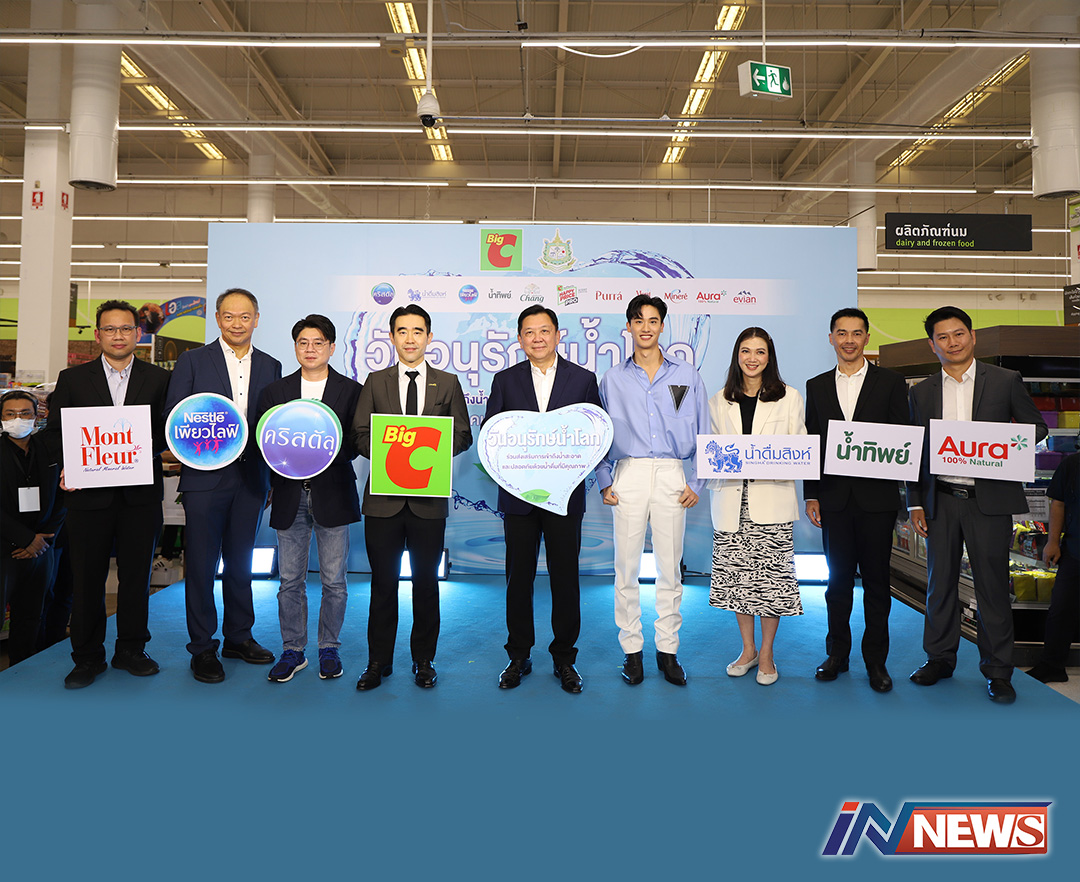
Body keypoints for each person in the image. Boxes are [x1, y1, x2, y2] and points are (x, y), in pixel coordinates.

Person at [907, 306, 1048, 704]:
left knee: (992, 589)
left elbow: (1038, 427)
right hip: (941, 501)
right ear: (932, 345)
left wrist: (999, 441)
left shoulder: (1004, 380)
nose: (952, 342)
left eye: (958, 334)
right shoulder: (921, 392)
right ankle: (939, 659)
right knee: (939, 587)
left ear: (972, 336)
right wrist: (915, 503)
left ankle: (999, 671)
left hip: (989, 502)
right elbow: (914, 451)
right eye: (942, 337)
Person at [44, 300, 171, 688]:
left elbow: (167, 432)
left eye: (126, 328)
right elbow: (54, 434)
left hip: (140, 497)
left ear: (138, 333)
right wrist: (66, 465)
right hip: (87, 497)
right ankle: (86, 657)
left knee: (136, 579)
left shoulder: (160, 379)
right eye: (110, 329)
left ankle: (131, 649)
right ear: (98, 335)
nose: (119, 335)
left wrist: (142, 449)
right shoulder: (72, 379)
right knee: (86, 579)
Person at [165, 288, 282, 683]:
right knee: (200, 564)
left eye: (245, 316)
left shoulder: (271, 365)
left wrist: (270, 478)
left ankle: (238, 636)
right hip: (205, 477)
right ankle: (202, 647)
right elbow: (174, 415)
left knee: (241, 562)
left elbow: (271, 426)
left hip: (251, 478)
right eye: (229, 316)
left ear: (256, 319)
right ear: (217, 319)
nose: (237, 324)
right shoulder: (193, 360)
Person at [352, 305, 472, 691]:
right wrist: (393, 454)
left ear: (429, 337)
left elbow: (463, 434)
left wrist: (429, 452)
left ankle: (424, 660)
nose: (410, 339)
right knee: (382, 584)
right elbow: (359, 434)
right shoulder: (376, 382)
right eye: (402, 331)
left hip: (428, 503)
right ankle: (378, 662)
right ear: (391, 337)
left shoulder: (447, 383)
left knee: (426, 583)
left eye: (417, 331)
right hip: (383, 503)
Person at [483, 305, 602, 694]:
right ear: (520, 339)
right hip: (518, 497)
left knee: (565, 579)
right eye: (529, 332)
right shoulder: (505, 380)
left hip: (565, 497)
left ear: (557, 335)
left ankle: (565, 658)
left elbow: (596, 434)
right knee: (518, 579)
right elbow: (491, 435)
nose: (537, 338)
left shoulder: (583, 380)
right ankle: (518, 655)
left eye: (544, 330)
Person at [596, 294, 709, 687]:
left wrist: (697, 480)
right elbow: (598, 432)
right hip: (628, 473)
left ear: (662, 326)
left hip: (672, 475)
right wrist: (605, 478)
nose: (646, 328)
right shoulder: (612, 379)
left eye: (653, 320)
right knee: (625, 569)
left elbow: (705, 429)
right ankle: (631, 651)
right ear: (628, 327)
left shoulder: (687, 375)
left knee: (670, 569)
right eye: (639, 321)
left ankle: (668, 651)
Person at [804, 307, 909, 693]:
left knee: (878, 584)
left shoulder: (892, 383)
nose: (849, 340)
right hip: (833, 499)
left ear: (867, 337)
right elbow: (812, 441)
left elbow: (903, 437)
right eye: (842, 333)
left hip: (877, 499)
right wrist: (811, 494)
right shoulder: (816, 386)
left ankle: (876, 661)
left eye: (856, 333)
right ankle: (837, 654)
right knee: (837, 584)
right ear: (831, 338)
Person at [256, 315, 363, 683]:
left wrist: (324, 449)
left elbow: (357, 441)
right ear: (295, 347)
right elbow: (265, 442)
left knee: (334, 581)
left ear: (331, 347)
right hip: (289, 495)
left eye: (318, 342)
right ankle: (293, 649)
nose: (310, 349)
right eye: (303, 342)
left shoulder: (351, 390)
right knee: (289, 580)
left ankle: (329, 647)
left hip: (333, 492)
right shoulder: (275, 392)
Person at [708, 327, 806, 686]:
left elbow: (799, 450)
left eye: (760, 352)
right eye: (746, 351)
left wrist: (767, 461)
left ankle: (766, 653)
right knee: (738, 581)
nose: (752, 358)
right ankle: (747, 649)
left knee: (771, 583)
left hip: (771, 500)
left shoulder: (789, 397)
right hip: (732, 501)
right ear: (737, 356)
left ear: (769, 357)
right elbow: (712, 452)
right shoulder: (719, 400)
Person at [1, 391, 64, 666]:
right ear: (1, 418)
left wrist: (43, 538)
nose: (18, 419)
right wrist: (25, 539)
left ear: (37, 417)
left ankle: (22, 672)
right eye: (10, 414)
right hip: (6, 547)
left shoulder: (49, 449)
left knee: (31, 616)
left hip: (42, 547)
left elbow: (63, 495)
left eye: (25, 413)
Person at [1026, 451, 1078, 683]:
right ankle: (1052, 665)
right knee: (1061, 609)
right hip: (1075, 549)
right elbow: (1058, 503)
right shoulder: (1072, 464)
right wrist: (1052, 542)